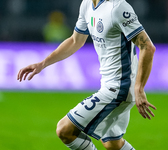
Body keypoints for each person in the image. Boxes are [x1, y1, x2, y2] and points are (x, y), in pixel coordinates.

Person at [17, 0, 156, 149]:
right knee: (112, 144)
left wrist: (139, 88)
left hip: (119, 88)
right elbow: (75, 41)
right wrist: (43, 64)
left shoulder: (118, 7)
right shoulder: (86, 5)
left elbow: (147, 46)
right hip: (111, 85)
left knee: (65, 130)